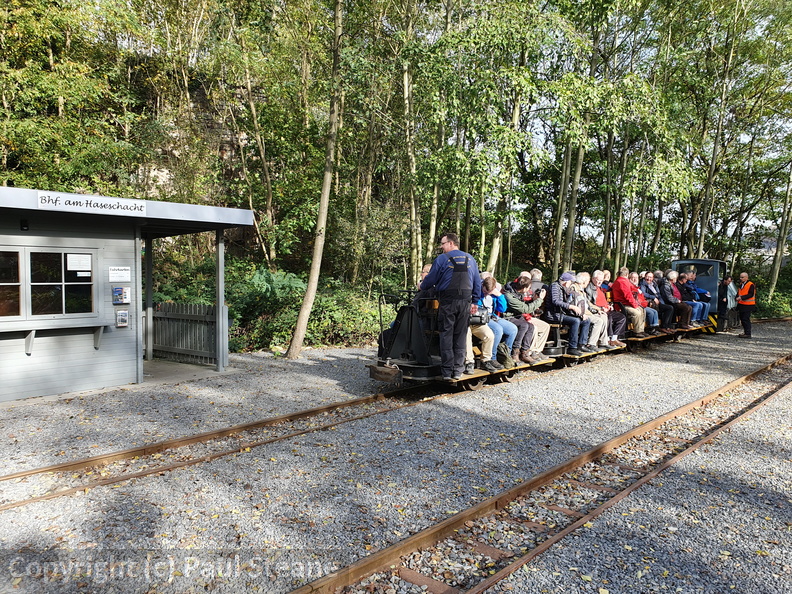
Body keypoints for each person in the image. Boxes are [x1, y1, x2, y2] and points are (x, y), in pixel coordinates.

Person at [420, 233, 483, 380]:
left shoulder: (442, 259)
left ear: (451, 243)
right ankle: (458, 370)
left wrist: (422, 285)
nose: (441, 247)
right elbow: (477, 282)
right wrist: (475, 301)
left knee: (446, 335)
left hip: (448, 302)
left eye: (442, 244)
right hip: (465, 303)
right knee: (460, 335)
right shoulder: (470, 259)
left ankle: (447, 372)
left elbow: (431, 279)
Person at [503, 275, 550, 364]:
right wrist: (540, 299)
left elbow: (523, 304)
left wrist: (533, 300)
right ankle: (515, 352)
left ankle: (525, 352)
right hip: (507, 317)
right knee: (524, 325)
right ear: (524, 288)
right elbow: (525, 309)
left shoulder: (516, 292)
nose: (529, 290)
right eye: (528, 288)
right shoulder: (509, 295)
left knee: (531, 326)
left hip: (516, 315)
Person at [543, 271, 592, 356]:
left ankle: (581, 344)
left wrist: (581, 313)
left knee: (586, 320)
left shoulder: (565, 288)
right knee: (575, 321)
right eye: (571, 282)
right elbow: (555, 301)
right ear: (566, 281)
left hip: (562, 313)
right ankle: (572, 347)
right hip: (553, 314)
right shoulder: (555, 286)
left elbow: (572, 301)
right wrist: (571, 307)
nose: (572, 283)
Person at [572, 272, 616, 350]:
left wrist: (600, 309)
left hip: (588, 311)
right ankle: (591, 343)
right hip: (583, 313)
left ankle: (603, 342)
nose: (588, 283)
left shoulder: (582, 290)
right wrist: (594, 311)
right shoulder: (577, 289)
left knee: (603, 316)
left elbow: (589, 303)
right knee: (599, 320)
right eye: (588, 280)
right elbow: (580, 305)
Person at [588, 270, 627, 346]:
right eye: (598, 280)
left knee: (622, 317)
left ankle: (614, 339)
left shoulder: (600, 288)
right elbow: (590, 303)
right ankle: (607, 339)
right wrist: (601, 308)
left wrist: (608, 305)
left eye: (601, 280)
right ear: (593, 279)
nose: (599, 282)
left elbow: (604, 300)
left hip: (606, 309)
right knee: (608, 317)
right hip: (599, 311)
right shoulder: (590, 288)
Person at [610, 267, 647, 337]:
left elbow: (633, 288)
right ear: (627, 274)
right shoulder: (622, 282)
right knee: (637, 312)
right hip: (621, 306)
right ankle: (637, 331)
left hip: (626, 304)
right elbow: (628, 296)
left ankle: (641, 330)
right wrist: (635, 305)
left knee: (642, 310)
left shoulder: (623, 281)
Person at [736, 271, 756, 338]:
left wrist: (741, 297)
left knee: (745, 319)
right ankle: (745, 332)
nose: (740, 278)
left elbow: (751, 294)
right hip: (742, 304)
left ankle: (748, 333)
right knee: (742, 319)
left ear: (746, 277)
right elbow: (739, 293)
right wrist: (736, 297)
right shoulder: (741, 284)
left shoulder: (751, 284)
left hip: (748, 305)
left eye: (742, 277)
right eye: (740, 277)